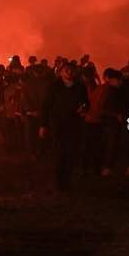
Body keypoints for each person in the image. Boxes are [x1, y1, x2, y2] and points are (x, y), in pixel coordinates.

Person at [39, 63, 89, 191]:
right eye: (66, 71)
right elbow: (45, 106)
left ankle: (67, 180)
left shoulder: (79, 86)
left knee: (71, 152)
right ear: (60, 73)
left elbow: (86, 102)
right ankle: (58, 181)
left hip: (74, 123)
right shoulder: (54, 87)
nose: (69, 73)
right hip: (58, 123)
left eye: (71, 71)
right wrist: (43, 125)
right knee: (59, 152)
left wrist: (84, 108)